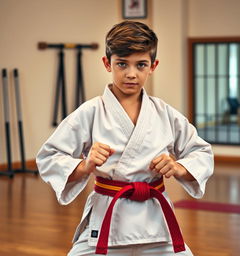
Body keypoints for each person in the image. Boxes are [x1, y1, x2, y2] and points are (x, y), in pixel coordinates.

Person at [36, 21, 214, 256]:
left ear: (153, 66)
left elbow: (201, 152)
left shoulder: (165, 114)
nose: (131, 74)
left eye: (141, 65)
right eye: (122, 64)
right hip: (108, 217)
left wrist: (178, 167)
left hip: (155, 221)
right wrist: (85, 165)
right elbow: (49, 156)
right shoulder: (91, 112)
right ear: (107, 63)